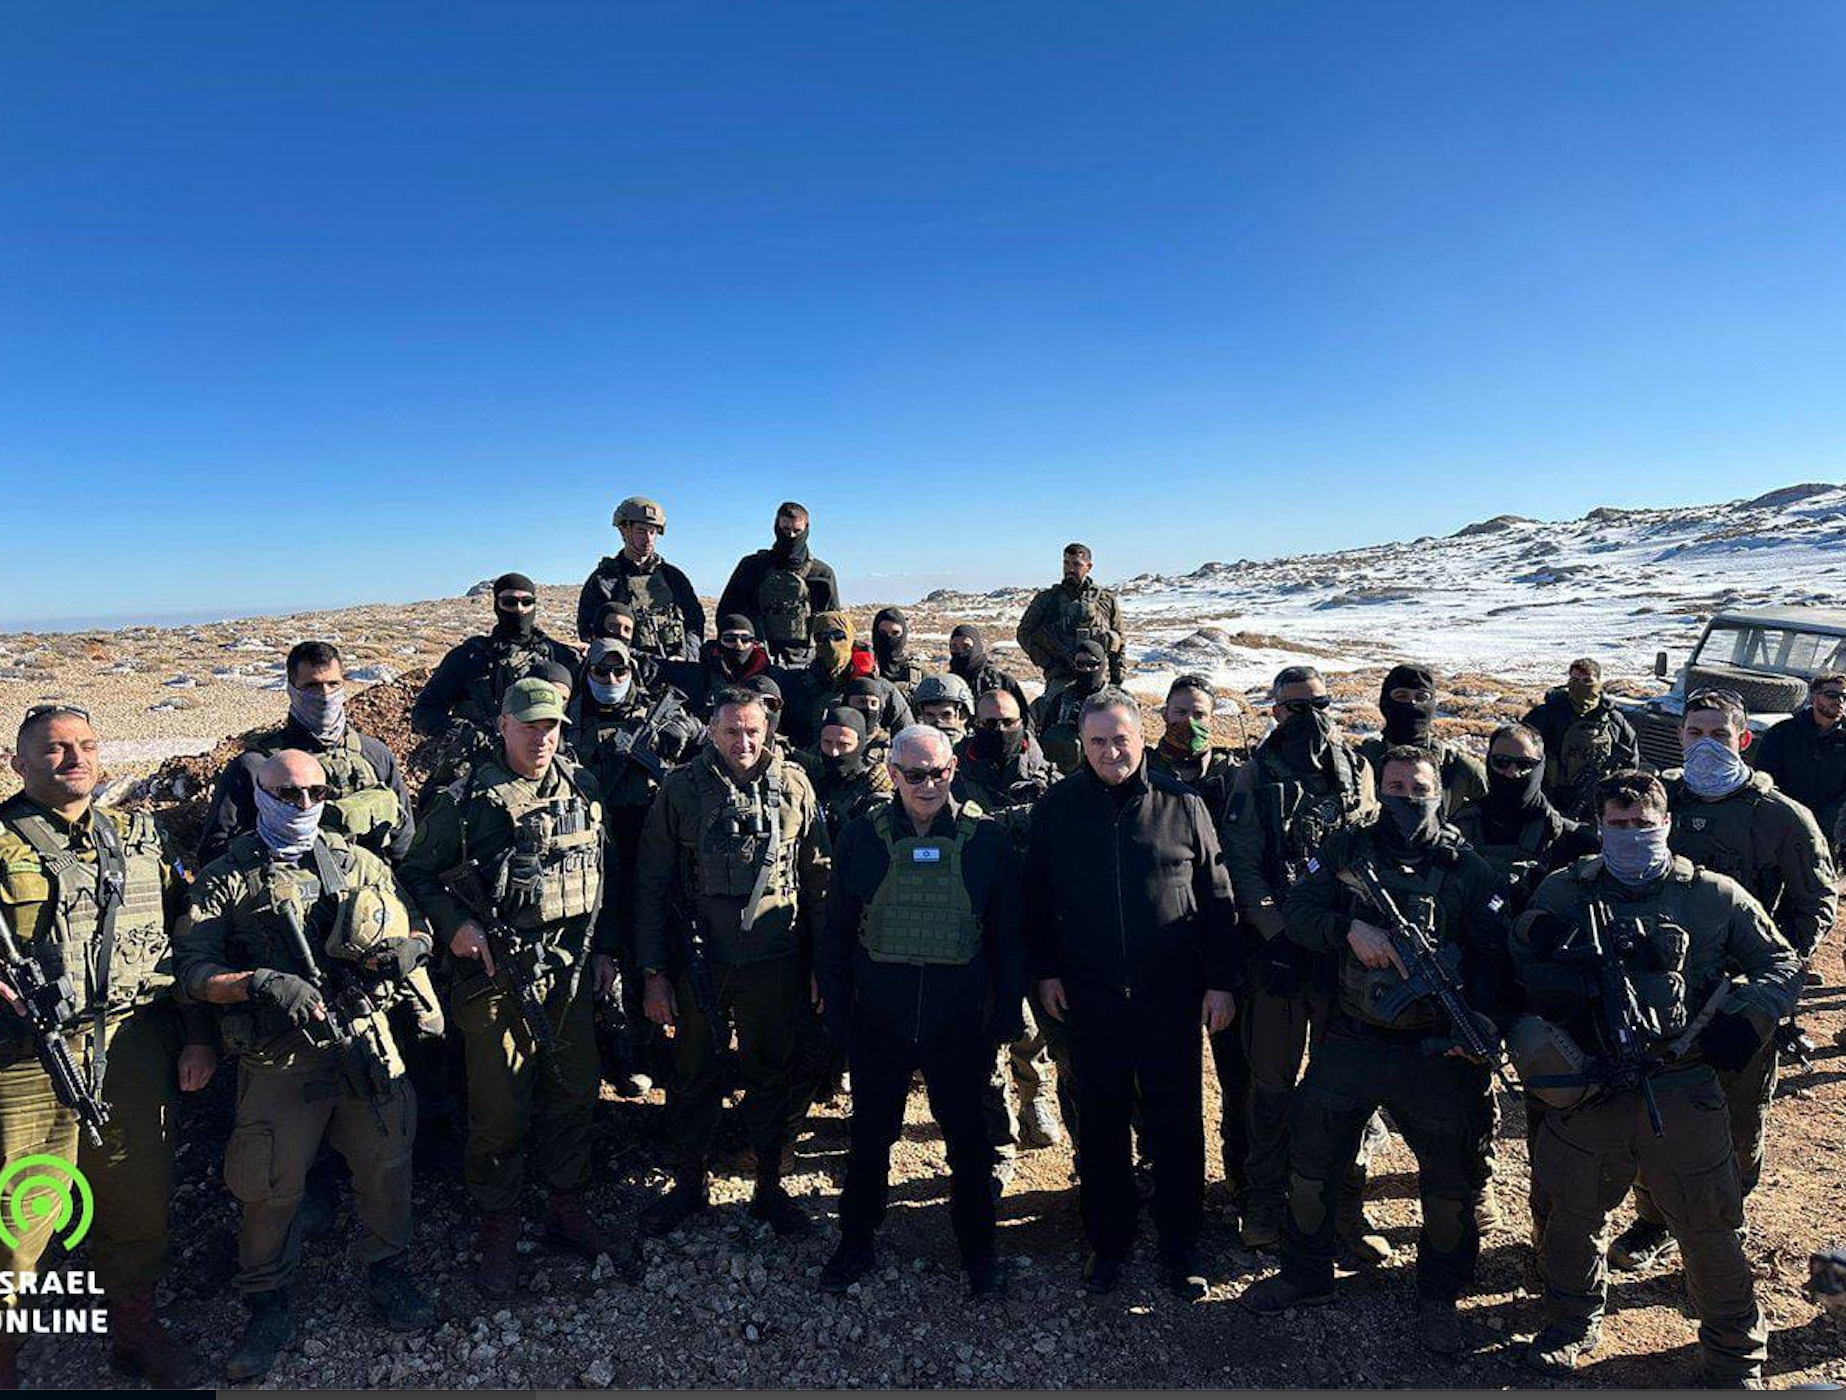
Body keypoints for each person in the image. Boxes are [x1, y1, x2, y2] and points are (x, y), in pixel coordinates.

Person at [1510, 770, 1800, 1385]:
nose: (1631, 836)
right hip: (1589, 1085)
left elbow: (1780, 961)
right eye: (1618, 825)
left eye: (1644, 825)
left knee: (1709, 1226)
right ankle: (1571, 1321)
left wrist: (1748, 1021)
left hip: (1681, 1087)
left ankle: (1732, 1352)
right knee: (1571, 1213)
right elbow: (1516, 960)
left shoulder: (1713, 895)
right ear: (1598, 827)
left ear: (1667, 823)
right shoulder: (1566, 889)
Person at [1242, 746, 1513, 1354]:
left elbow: (1498, 955)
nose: (1404, 800)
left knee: (1450, 1182)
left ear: (1439, 792)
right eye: (1393, 787)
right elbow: (1299, 910)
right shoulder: (1347, 850)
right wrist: (1349, 929)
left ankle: (1440, 1294)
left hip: (1436, 1052)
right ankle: (1306, 1275)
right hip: (1353, 1040)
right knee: (1311, 1166)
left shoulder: (1468, 869)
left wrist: (1485, 1024)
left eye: (1417, 789)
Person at [177, 749, 437, 1379]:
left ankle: (388, 1269)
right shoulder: (226, 877)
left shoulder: (357, 862)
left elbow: (419, 925)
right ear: (258, 795)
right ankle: (266, 1299)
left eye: (315, 794)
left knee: (386, 1161)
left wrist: (406, 950)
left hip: (364, 1041)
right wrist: (259, 982)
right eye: (286, 794)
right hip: (278, 1057)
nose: (303, 805)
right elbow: (190, 973)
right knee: (268, 1184)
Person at [0, 703, 217, 1389]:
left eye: (86, 745)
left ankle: (134, 1332)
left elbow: (187, 941)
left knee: (136, 1196)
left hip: (130, 1043)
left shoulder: (139, 836)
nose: (74, 759)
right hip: (25, 1059)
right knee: (18, 1221)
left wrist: (197, 1035)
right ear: (19, 763)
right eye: (55, 749)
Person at [1608, 687, 1837, 1272]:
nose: (1704, 745)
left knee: (1736, 1119)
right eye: (1693, 733)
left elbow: (1815, 904)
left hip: (1741, 995)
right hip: (1656, 991)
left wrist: (1770, 977)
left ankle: (1720, 1228)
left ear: (1744, 739)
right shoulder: (1656, 804)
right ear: (1678, 737)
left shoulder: (1782, 816)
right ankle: (1654, 1217)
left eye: (1718, 734)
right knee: (1651, 1109)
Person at [399, 679, 614, 1298]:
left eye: (551, 727)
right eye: (529, 727)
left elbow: (607, 871)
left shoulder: (583, 787)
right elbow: (415, 873)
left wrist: (607, 953)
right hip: (495, 978)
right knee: (499, 1111)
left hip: (568, 973)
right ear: (503, 727)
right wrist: (455, 925)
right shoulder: (466, 801)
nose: (541, 738)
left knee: (574, 1091)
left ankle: (565, 1206)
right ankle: (498, 1224)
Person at [1025, 688, 1238, 1297]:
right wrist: (1045, 971)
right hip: (1090, 997)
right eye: (1098, 742)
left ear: (1142, 737)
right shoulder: (1058, 808)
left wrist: (1221, 980)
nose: (1111, 752)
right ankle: (1108, 1241)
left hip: (1169, 995)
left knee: (1176, 1123)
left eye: (1121, 739)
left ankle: (1181, 1245)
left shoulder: (1183, 805)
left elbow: (1218, 900)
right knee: (1102, 1121)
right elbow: (1036, 900)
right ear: (1081, 746)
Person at [814, 724, 1026, 1298]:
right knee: (869, 1138)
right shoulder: (862, 837)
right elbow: (836, 929)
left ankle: (979, 1255)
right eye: (914, 774)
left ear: (952, 769)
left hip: (959, 1024)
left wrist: (1006, 1014)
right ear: (892, 774)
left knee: (969, 1142)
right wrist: (836, 1008)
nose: (927, 784)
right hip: (879, 1017)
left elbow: (1008, 937)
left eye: (937, 772)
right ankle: (855, 1242)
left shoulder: (988, 841)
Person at [633, 688, 832, 1240]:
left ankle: (769, 1187)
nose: (743, 743)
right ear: (711, 733)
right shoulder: (681, 790)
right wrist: (653, 973)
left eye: (752, 731)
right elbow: (651, 882)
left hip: (777, 962)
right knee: (693, 1075)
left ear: (766, 729)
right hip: (703, 963)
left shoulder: (795, 785)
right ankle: (689, 1187)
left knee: (775, 1074)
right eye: (731, 732)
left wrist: (823, 963)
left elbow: (818, 876)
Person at [1220, 665, 1383, 1256]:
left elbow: (1368, 847)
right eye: (1294, 708)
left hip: (1343, 952)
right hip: (1282, 958)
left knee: (1346, 1088)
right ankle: (1263, 1201)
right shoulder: (1254, 776)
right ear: (1275, 713)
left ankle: (1344, 1204)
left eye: (1319, 705)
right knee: (1271, 1086)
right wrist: (1277, 931)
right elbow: (1240, 864)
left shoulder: (1356, 769)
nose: (1308, 719)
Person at [1448, 721, 1596, 1234]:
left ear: (1540, 767)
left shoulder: (1571, 839)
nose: (1511, 773)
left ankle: (1548, 1219)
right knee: (1465, 1100)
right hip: (1473, 984)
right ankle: (1476, 1187)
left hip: (1542, 993)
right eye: (1501, 763)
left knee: (1552, 1107)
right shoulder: (1461, 828)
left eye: (1523, 765)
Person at [571, 639, 702, 1095]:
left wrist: (678, 734)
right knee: (598, 950)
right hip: (587, 849)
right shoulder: (572, 720)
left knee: (650, 943)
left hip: (649, 843)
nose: (610, 681)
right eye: (600, 673)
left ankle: (643, 1050)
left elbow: (700, 739)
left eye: (618, 672)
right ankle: (602, 1047)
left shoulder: (654, 711)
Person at [955, 688, 1066, 1158]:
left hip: (1035, 923)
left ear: (1024, 723)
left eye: (1006, 722)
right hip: (975, 925)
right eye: (986, 724)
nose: (996, 731)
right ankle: (993, 1134)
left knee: (1037, 1023)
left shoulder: (1051, 781)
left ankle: (1035, 1095)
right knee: (981, 1028)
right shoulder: (953, 778)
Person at [199, 640, 414, 867]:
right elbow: (215, 852)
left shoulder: (374, 754)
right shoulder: (256, 765)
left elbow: (404, 838)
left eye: (333, 684)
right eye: (312, 686)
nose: (325, 695)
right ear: (291, 689)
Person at [411, 572, 581, 799]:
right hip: (479, 767)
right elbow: (425, 712)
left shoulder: (561, 657)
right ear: (497, 605)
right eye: (509, 602)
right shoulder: (469, 658)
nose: (519, 609)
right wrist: (465, 732)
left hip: (545, 766)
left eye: (526, 602)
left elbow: (586, 713)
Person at [575, 496, 704, 659]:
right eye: (641, 531)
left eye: (653, 532)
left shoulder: (673, 577)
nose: (649, 539)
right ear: (624, 530)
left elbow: (695, 622)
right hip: (627, 670)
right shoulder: (604, 580)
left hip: (676, 669)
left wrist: (687, 657)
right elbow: (590, 632)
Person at [716, 501, 841, 666]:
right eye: (785, 529)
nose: (791, 536)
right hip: (757, 660)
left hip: (806, 662)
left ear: (807, 528)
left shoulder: (822, 574)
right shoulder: (752, 567)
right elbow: (727, 614)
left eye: (797, 531)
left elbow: (834, 624)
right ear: (776, 527)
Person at [1519, 658, 1641, 819]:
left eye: (1587, 681)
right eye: (1575, 680)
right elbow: (1521, 753)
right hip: (1551, 802)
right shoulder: (1546, 715)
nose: (1580, 686)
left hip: (1600, 805)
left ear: (1598, 683)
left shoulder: (1613, 719)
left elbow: (1631, 759)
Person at [1358, 664, 1486, 816]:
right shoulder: (1359, 763)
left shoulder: (1459, 769)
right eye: (1402, 696)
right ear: (1385, 702)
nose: (1412, 704)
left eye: (1422, 697)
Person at [784, 610, 913, 748]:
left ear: (851, 638)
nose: (831, 643)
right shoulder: (799, 685)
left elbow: (909, 737)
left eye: (838, 636)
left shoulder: (880, 688)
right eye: (822, 637)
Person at [1016, 542, 1128, 690]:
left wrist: (1117, 680)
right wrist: (1049, 663)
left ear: (1089, 566)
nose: (1070, 569)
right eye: (1066, 563)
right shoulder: (1047, 599)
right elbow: (1024, 634)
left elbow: (1119, 641)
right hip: (1060, 679)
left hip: (1096, 677)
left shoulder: (1106, 600)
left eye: (1076, 564)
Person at [1753, 671, 1846, 848]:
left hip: (1830, 832)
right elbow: (1765, 779)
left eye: (1844, 696)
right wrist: (1791, 816)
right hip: (1782, 826)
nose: (1839, 701)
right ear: (1813, 697)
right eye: (1832, 695)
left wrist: (1826, 823)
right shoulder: (1782, 733)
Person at [1144, 674, 1239, 825]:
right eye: (1180, 712)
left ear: (1211, 720)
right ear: (1165, 714)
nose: (1188, 720)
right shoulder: (1143, 766)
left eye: (1199, 714)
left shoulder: (1229, 772)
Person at [659, 613, 774, 719]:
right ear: (719, 641)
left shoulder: (771, 674)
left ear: (754, 643)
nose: (738, 645)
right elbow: (654, 666)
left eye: (745, 639)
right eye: (730, 639)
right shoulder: (701, 672)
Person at [1030, 639, 1110, 775]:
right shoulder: (1061, 700)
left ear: (1102, 665)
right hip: (1064, 773)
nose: (1086, 669)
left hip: (1105, 771)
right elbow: (1044, 735)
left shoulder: (1116, 702)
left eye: (1092, 664)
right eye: (1081, 664)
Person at [947, 624, 1033, 730]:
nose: (960, 652)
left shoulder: (1002, 681)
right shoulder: (947, 684)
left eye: (966, 647)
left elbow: (1025, 722)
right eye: (954, 647)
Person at [870, 607, 927, 698]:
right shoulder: (863, 666)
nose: (889, 638)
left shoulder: (915, 670)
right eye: (883, 633)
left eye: (895, 633)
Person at [913, 673, 976, 746]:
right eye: (930, 715)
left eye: (946, 715)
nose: (938, 722)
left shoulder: (976, 750)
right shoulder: (914, 751)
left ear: (962, 715)